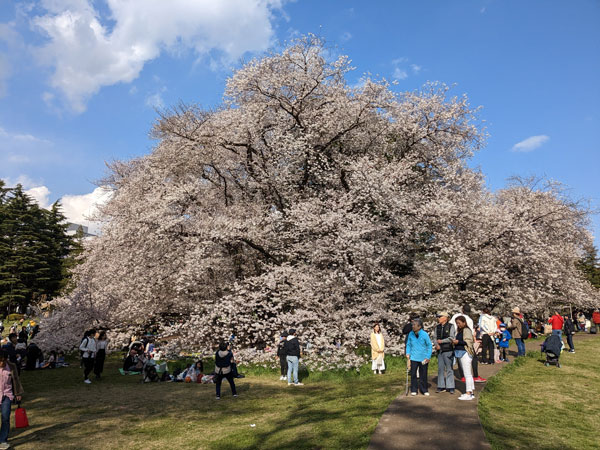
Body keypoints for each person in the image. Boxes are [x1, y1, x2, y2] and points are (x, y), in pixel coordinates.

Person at [450, 305, 486, 383]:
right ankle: (475, 376)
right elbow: (471, 332)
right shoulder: (469, 320)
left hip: (455, 338)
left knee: (459, 357)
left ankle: (462, 376)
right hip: (465, 340)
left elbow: (451, 326)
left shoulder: (455, 316)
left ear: (462, 310)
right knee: (474, 358)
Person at [0, 349, 23, 449]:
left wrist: (18, 393)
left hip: (7, 395)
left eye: (4, 360)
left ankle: (3, 440)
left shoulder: (11, 367)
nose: (2, 363)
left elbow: (16, 380)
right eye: (0, 361)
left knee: (5, 418)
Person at [406, 318, 432, 396]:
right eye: (412, 325)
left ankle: (424, 389)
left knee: (423, 374)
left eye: (414, 325)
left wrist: (428, 356)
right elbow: (408, 344)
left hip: (423, 358)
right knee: (413, 374)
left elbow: (429, 346)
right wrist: (408, 353)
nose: (413, 326)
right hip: (413, 357)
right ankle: (414, 389)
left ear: (419, 326)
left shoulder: (424, 334)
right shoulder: (410, 334)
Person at [453, 316, 475, 401]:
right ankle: (471, 392)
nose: (458, 325)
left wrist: (458, 342)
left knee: (467, 374)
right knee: (468, 373)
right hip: (460, 352)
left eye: (459, 323)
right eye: (457, 323)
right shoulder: (460, 331)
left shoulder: (466, 330)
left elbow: (468, 341)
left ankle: (468, 392)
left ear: (464, 322)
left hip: (465, 353)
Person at [434, 312, 455, 394]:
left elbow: (451, 337)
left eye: (440, 317)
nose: (438, 318)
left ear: (445, 318)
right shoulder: (437, 327)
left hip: (448, 349)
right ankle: (441, 385)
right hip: (440, 350)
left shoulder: (450, 326)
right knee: (440, 369)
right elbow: (435, 337)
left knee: (449, 368)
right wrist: (436, 344)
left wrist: (442, 341)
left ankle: (450, 386)